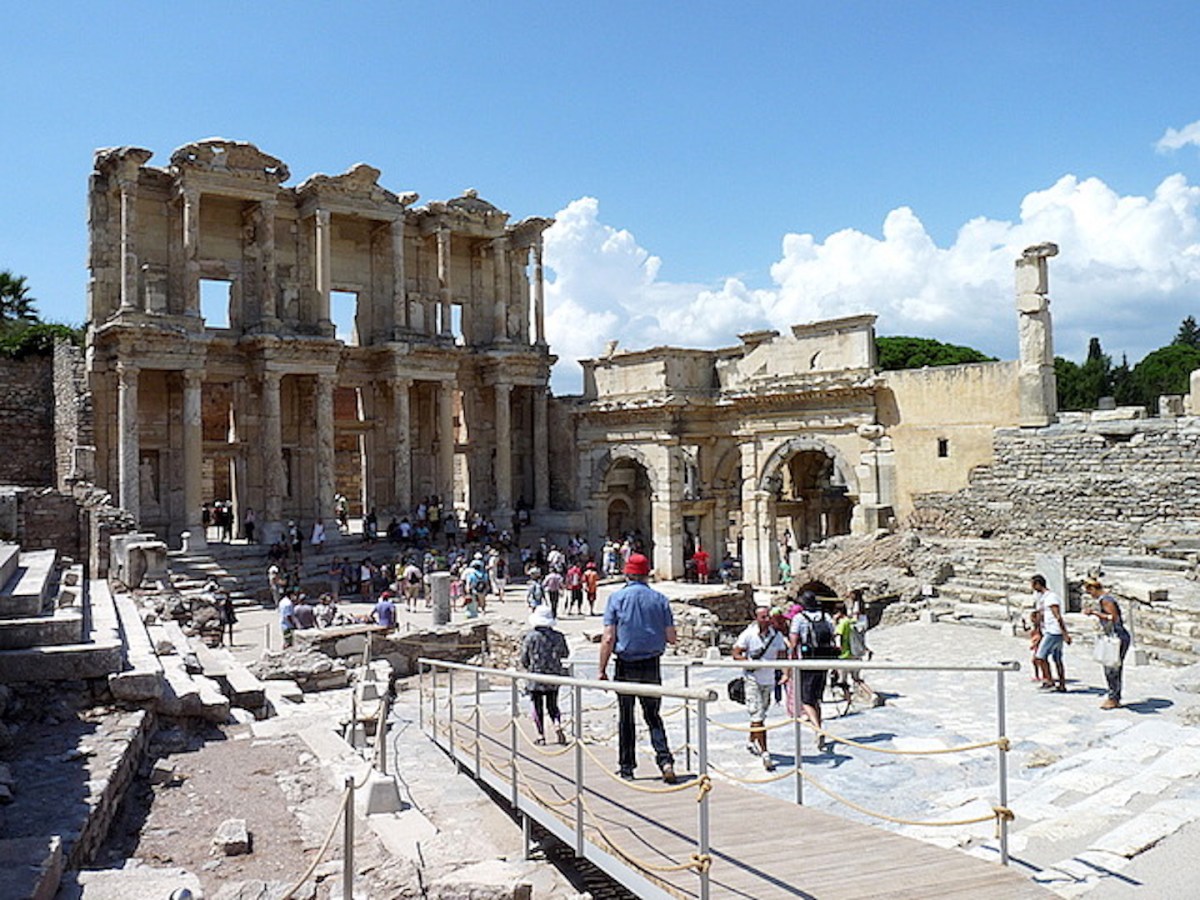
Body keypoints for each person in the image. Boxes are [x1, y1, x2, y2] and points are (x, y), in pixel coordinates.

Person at [597, 553, 677, 783]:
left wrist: (601, 670)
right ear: (647, 573)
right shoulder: (660, 599)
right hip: (651, 664)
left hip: (626, 664)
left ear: (627, 573)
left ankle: (627, 767)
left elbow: (608, 637)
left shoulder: (616, 598)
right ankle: (665, 760)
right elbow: (671, 637)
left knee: (626, 717)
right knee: (653, 716)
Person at [732, 605, 788, 771]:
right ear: (756, 618)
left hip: (768, 680)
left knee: (761, 714)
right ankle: (765, 752)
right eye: (763, 617)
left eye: (768, 616)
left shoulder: (776, 636)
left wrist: (786, 673)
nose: (766, 619)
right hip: (752, 679)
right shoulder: (748, 634)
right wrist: (748, 663)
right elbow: (736, 653)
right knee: (758, 715)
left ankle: (751, 740)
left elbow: (782, 655)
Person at [787, 590, 838, 752]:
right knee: (817, 697)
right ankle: (818, 731)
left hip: (807, 661)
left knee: (806, 699)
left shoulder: (799, 618)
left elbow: (794, 642)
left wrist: (790, 660)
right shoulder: (825, 616)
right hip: (824, 660)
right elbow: (833, 636)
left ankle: (817, 728)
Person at [520, 605, 570, 745]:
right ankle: (556, 724)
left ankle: (541, 735)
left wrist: (528, 666)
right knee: (553, 704)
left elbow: (524, 658)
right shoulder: (558, 636)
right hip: (553, 675)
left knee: (537, 706)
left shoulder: (530, 637)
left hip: (536, 675)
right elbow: (565, 653)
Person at [1083, 577, 1132, 709]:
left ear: (1093, 588)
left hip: (1117, 636)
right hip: (1113, 636)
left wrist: (1094, 613)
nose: (1090, 595)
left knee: (1112, 669)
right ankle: (1114, 696)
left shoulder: (1106, 600)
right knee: (1111, 667)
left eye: (1089, 591)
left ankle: (1113, 697)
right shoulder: (1104, 599)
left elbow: (1113, 617)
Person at [1032, 574, 1072, 692]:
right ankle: (1061, 684)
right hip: (1049, 630)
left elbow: (1057, 616)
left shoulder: (1051, 597)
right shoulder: (1042, 597)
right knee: (1057, 659)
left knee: (1040, 656)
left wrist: (1065, 634)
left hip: (1053, 631)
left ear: (1038, 584)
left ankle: (1049, 681)